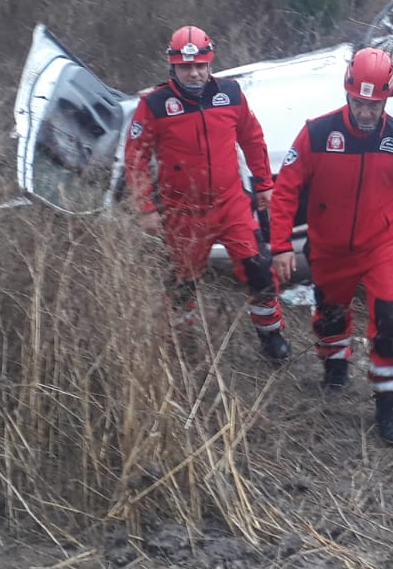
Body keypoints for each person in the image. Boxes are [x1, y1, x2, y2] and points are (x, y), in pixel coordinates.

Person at [269, 47, 393, 445]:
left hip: (381, 244)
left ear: (386, 99)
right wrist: (280, 245)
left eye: (373, 105)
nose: (364, 112)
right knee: (330, 314)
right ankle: (335, 363)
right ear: (347, 93)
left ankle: (389, 402)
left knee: (390, 322)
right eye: (359, 102)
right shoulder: (317, 134)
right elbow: (286, 190)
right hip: (328, 246)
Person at [124, 25, 289, 361]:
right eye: (186, 67)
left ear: (210, 63)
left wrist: (264, 185)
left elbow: (252, 139)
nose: (195, 73)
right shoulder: (155, 104)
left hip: (231, 203)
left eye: (201, 65)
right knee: (183, 280)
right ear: (174, 67)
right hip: (183, 211)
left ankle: (271, 336)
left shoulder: (229, 94)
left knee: (259, 269)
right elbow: (136, 156)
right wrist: (145, 208)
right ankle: (185, 342)